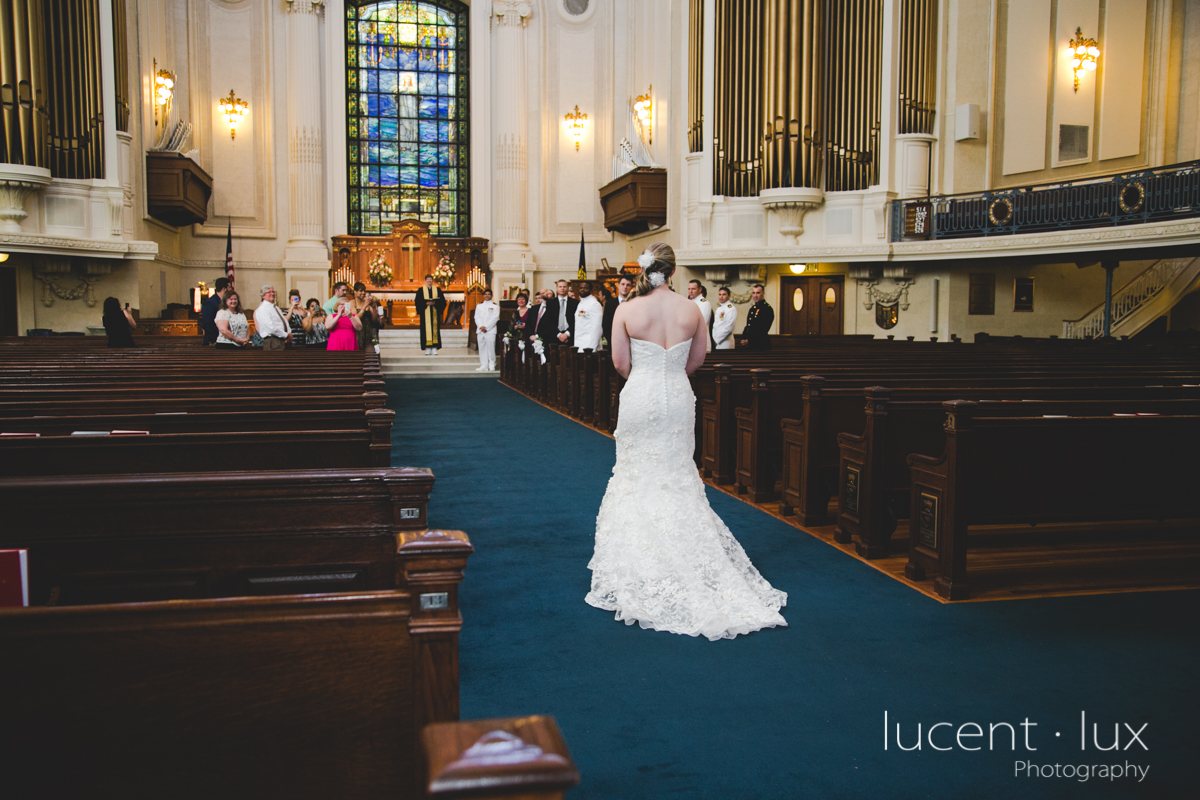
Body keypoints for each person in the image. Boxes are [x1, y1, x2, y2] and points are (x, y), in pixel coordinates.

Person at [585, 242, 787, 641]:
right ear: (673, 272)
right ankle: (689, 557)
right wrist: (671, 373)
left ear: (647, 270)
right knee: (677, 473)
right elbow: (699, 360)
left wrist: (646, 377)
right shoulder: (691, 309)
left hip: (640, 395)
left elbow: (620, 363)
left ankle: (643, 564)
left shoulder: (626, 309)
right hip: (678, 396)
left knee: (636, 472)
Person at [414, 274, 447, 355]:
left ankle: (434, 348)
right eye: (428, 279)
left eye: (430, 279)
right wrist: (426, 303)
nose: (429, 281)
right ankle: (427, 348)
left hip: (434, 313)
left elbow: (442, 301)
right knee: (425, 330)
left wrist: (435, 303)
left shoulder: (437, 290)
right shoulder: (421, 290)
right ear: (425, 280)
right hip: (425, 314)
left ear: (432, 281)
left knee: (435, 329)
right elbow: (417, 302)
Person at [254, 285, 291, 351]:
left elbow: (284, 322)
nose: (272, 294)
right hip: (273, 341)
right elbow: (271, 328)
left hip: (282, 340)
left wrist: (289, 333)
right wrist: (286, 335)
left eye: (273, 292)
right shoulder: (263, 309)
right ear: (263, 296)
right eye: (269, 292)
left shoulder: (276, 308)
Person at [739, 284, 774, 350]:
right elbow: (748, 327)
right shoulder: (752, 309)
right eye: (753, 293)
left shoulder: (767, 309)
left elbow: (763, 330)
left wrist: (750, 341)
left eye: (758, 293)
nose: (755, 295)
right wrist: (743, 339)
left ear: (763, 293)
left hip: (761, 345)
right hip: (749, 345)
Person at [602, 274, 633, 348]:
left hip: (631, 344)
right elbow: (606, 325)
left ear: (631, 287)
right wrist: (613, 341)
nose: (625, 287)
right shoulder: (609, 304)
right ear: (618, 286)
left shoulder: (634, 303)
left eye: (628, 285)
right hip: (614, 344)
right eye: (623, 284)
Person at [474, 288, 500, 371]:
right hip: (480, 330)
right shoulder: (479, 306)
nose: (487, 295)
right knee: (482, 348)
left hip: (490, 331)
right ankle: (483, 365)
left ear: (491, 295)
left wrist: (486, 327)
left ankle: (492, 364)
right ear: (483, 295)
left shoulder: (495, 306)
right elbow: (476, 317)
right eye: (485, 294)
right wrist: (480, 326)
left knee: (491, 348)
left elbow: (495, 318)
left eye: (489, 294)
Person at [573, 281, 603, 352]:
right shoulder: (581, 303)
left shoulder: (594, 304)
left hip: (588, 345)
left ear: (590, 290)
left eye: (585, 288)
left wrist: (592, 347)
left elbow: (597, 327)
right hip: (579, 343)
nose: (582, 290)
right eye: (581, 288)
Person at [353, 282, 384, 351]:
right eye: (361, 291)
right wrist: (364, 307)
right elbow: (355, 318)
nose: (363, 293)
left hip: (370, 331)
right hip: (358, 332)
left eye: (364, 290)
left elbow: (374, 320)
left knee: (372, 351)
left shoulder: (367, 302)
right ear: (355, 292)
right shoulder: (352, 303)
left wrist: (373, 308)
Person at [200, 277, 231, 345]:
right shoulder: (210, 303)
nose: (230, 289)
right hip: (213, 341)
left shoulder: (226, 302)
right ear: (224, 289)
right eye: (229, 287)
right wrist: (215, 339)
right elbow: (207, 324)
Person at [547, 280, 577, 347]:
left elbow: (576, 320)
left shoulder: (575, 303)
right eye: (560, 287)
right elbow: (549, 321)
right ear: (556, 289)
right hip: (555, 336)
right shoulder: (550, 303)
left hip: (570, 336)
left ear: (567, 288)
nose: (562, 288)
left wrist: (567, 334)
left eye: (564, 287)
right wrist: (559, 335)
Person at [687, 280, 713, 352]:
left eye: (693, 289)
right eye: (689, 289)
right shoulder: (689, 303)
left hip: (701, 341)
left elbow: (702, 323)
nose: (690, 291)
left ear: (700, 289)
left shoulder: (704, 303)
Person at [509, 291, 531, 364]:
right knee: (517, 357)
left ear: (526, 301)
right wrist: (515, 327)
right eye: (519, 299)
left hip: (528, 336)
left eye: (523, 299)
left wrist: (526, 326)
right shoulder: (515, 313)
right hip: (517, 338)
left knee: (527, 357)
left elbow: (533, 324)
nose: (521, 301)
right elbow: (511, 326)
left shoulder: (530, 311)